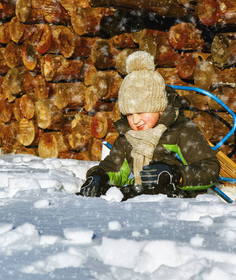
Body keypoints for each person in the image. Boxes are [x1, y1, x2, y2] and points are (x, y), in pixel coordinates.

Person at [79, 51, 220, 198]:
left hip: (180, 202)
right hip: (142, 198)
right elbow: (115, 168)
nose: (135, 120)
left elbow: (210, 170)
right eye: (129, 114)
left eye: (141, 112)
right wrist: (99, 177)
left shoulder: (181, 130)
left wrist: (175, 174)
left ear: (159, 108)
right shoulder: (128, 137)